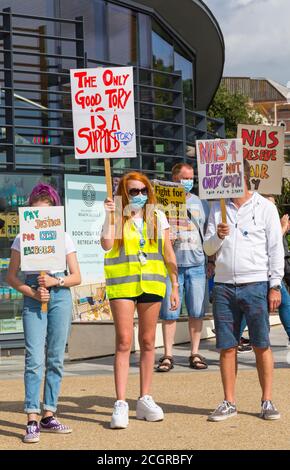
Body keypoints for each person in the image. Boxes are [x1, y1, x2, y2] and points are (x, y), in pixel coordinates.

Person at [203, 160, 284, 421]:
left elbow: (275, 249)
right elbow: (207, 249)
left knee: (261, 343)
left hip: (256, 284)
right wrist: (218, 236)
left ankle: (267, 400)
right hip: (224, 286)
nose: (227, 181)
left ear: (245, 178)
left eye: (232, 176)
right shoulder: (217, 207)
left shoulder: (265, 208)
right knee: (227, 346)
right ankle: (229, 401)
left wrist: (275, 285)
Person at [101, 172, 179, 429]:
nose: (139, 195)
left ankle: (145, 398)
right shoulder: (116, 214)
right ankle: (121, 402)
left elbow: (168, 252)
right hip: (122, 284)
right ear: (124, 192)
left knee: (148, 341)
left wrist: (175, 285)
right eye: (133, 191)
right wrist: (109, 215)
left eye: (143, 190)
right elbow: (106, 244)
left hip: (152, 283)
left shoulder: (156, 215)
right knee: (124, 341)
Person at [7, 183, 81, 443]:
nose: (40, 219)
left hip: (59, 296)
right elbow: (11, 276)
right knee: (34, 359)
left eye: (45, 213)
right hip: (33, 298)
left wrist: (56, 282)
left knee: (56, 357)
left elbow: (76, 276)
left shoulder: (64, 237)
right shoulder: (21, 239)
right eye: (35, 213)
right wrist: (32, 292)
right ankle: (32, 417)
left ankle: (49, 414)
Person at [157, 163, 213, 372]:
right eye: (184, 179)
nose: (188, 182)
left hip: (197, 264)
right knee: (169, 312)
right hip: (171, 266)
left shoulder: (201, 203)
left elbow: (209, 233)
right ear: (174, 179)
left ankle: (195, 352)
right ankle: (168, 355)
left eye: (191, 178)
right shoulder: (161, 205)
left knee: (196, 311)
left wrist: (211, 261)